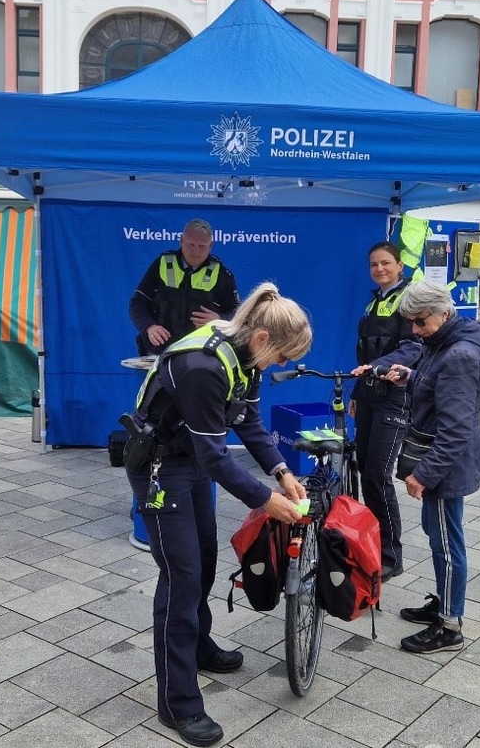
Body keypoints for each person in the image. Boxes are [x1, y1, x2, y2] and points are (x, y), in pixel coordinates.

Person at [124, 282, 311, 746]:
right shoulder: (202, 365)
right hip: (161, 470)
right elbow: (215, 456)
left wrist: (281, 470)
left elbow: (247, 421)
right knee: (181, 579)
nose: (281, 367)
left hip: (190, 464)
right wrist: (266, 501)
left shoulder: (245, 356)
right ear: (264, 338)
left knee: (204, 562)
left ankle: (199, 645)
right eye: (283, 358)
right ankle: (177, 704)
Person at [389, 281, 480, 654]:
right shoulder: (444, 345)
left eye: (420, 322)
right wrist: (411, 376)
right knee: (438, 535)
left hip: (445, 466)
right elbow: (440, 389)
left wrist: (423, 475)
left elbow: (455, 430)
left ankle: (449, 626)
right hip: (442, 463)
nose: (415, 330)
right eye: (411, 324)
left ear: (443, 312)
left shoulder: (459, 355)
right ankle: (444, 602)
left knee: (448, 545)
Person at [349, 241, 421, 582]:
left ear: (399, 265)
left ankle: (392, 555)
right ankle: (371, 542)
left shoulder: (408, 301)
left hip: (394, 397)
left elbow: (413, 347)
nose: (379, 269)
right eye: (374, 264)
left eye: (385, 263)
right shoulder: (374, 300)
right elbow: (362, 351)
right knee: (365, 471)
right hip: (368, 395)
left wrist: (376, 368)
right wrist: (357, 389)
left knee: (378, 475)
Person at [129, 218, 240, 355]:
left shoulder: (222, 274)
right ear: (181, 240)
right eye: (191, 244)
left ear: (211, 245)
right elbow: (137, 303)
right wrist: (149, 327)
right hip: (160, 350)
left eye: (202, 246)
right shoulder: (163, 264)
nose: (196, 251)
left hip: (202, 352)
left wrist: (220, 319)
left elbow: (238, 313)